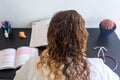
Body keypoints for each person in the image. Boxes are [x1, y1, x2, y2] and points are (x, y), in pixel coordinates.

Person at [14, 10, 119, 80]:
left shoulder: (33, 66)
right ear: (83, 39)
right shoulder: (99, 68)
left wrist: (42, 58)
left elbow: (17, 77)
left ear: (51, 39)